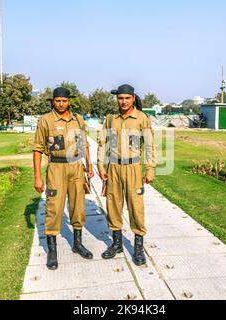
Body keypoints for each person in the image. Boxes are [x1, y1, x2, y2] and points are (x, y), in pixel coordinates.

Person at [33, 87, 95, 271]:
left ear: (69, 102)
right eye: (57, 100)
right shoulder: (46, 120)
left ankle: (77, 243)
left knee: (78, 205)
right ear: (53, 101)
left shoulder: (78, 120)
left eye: (64, 101)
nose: (61, 104)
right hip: (56, 167)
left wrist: (89, 165)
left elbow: (83, 145)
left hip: (76, 166)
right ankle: (52, 252)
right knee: (54, 206)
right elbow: (37, 149)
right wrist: (37, 176)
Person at [97, 84, 157, 266]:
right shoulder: (110, 119)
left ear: (133, 98)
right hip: (114, 167)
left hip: (134, 168)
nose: (123, 102)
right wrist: (100, 164)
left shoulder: (142, 118)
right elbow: (102, 143)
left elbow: (149, 145)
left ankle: (138, 247)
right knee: (113, 205)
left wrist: (150, 168)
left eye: (127, 98)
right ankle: (117, 244)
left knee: (136, 208)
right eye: (120, 98)